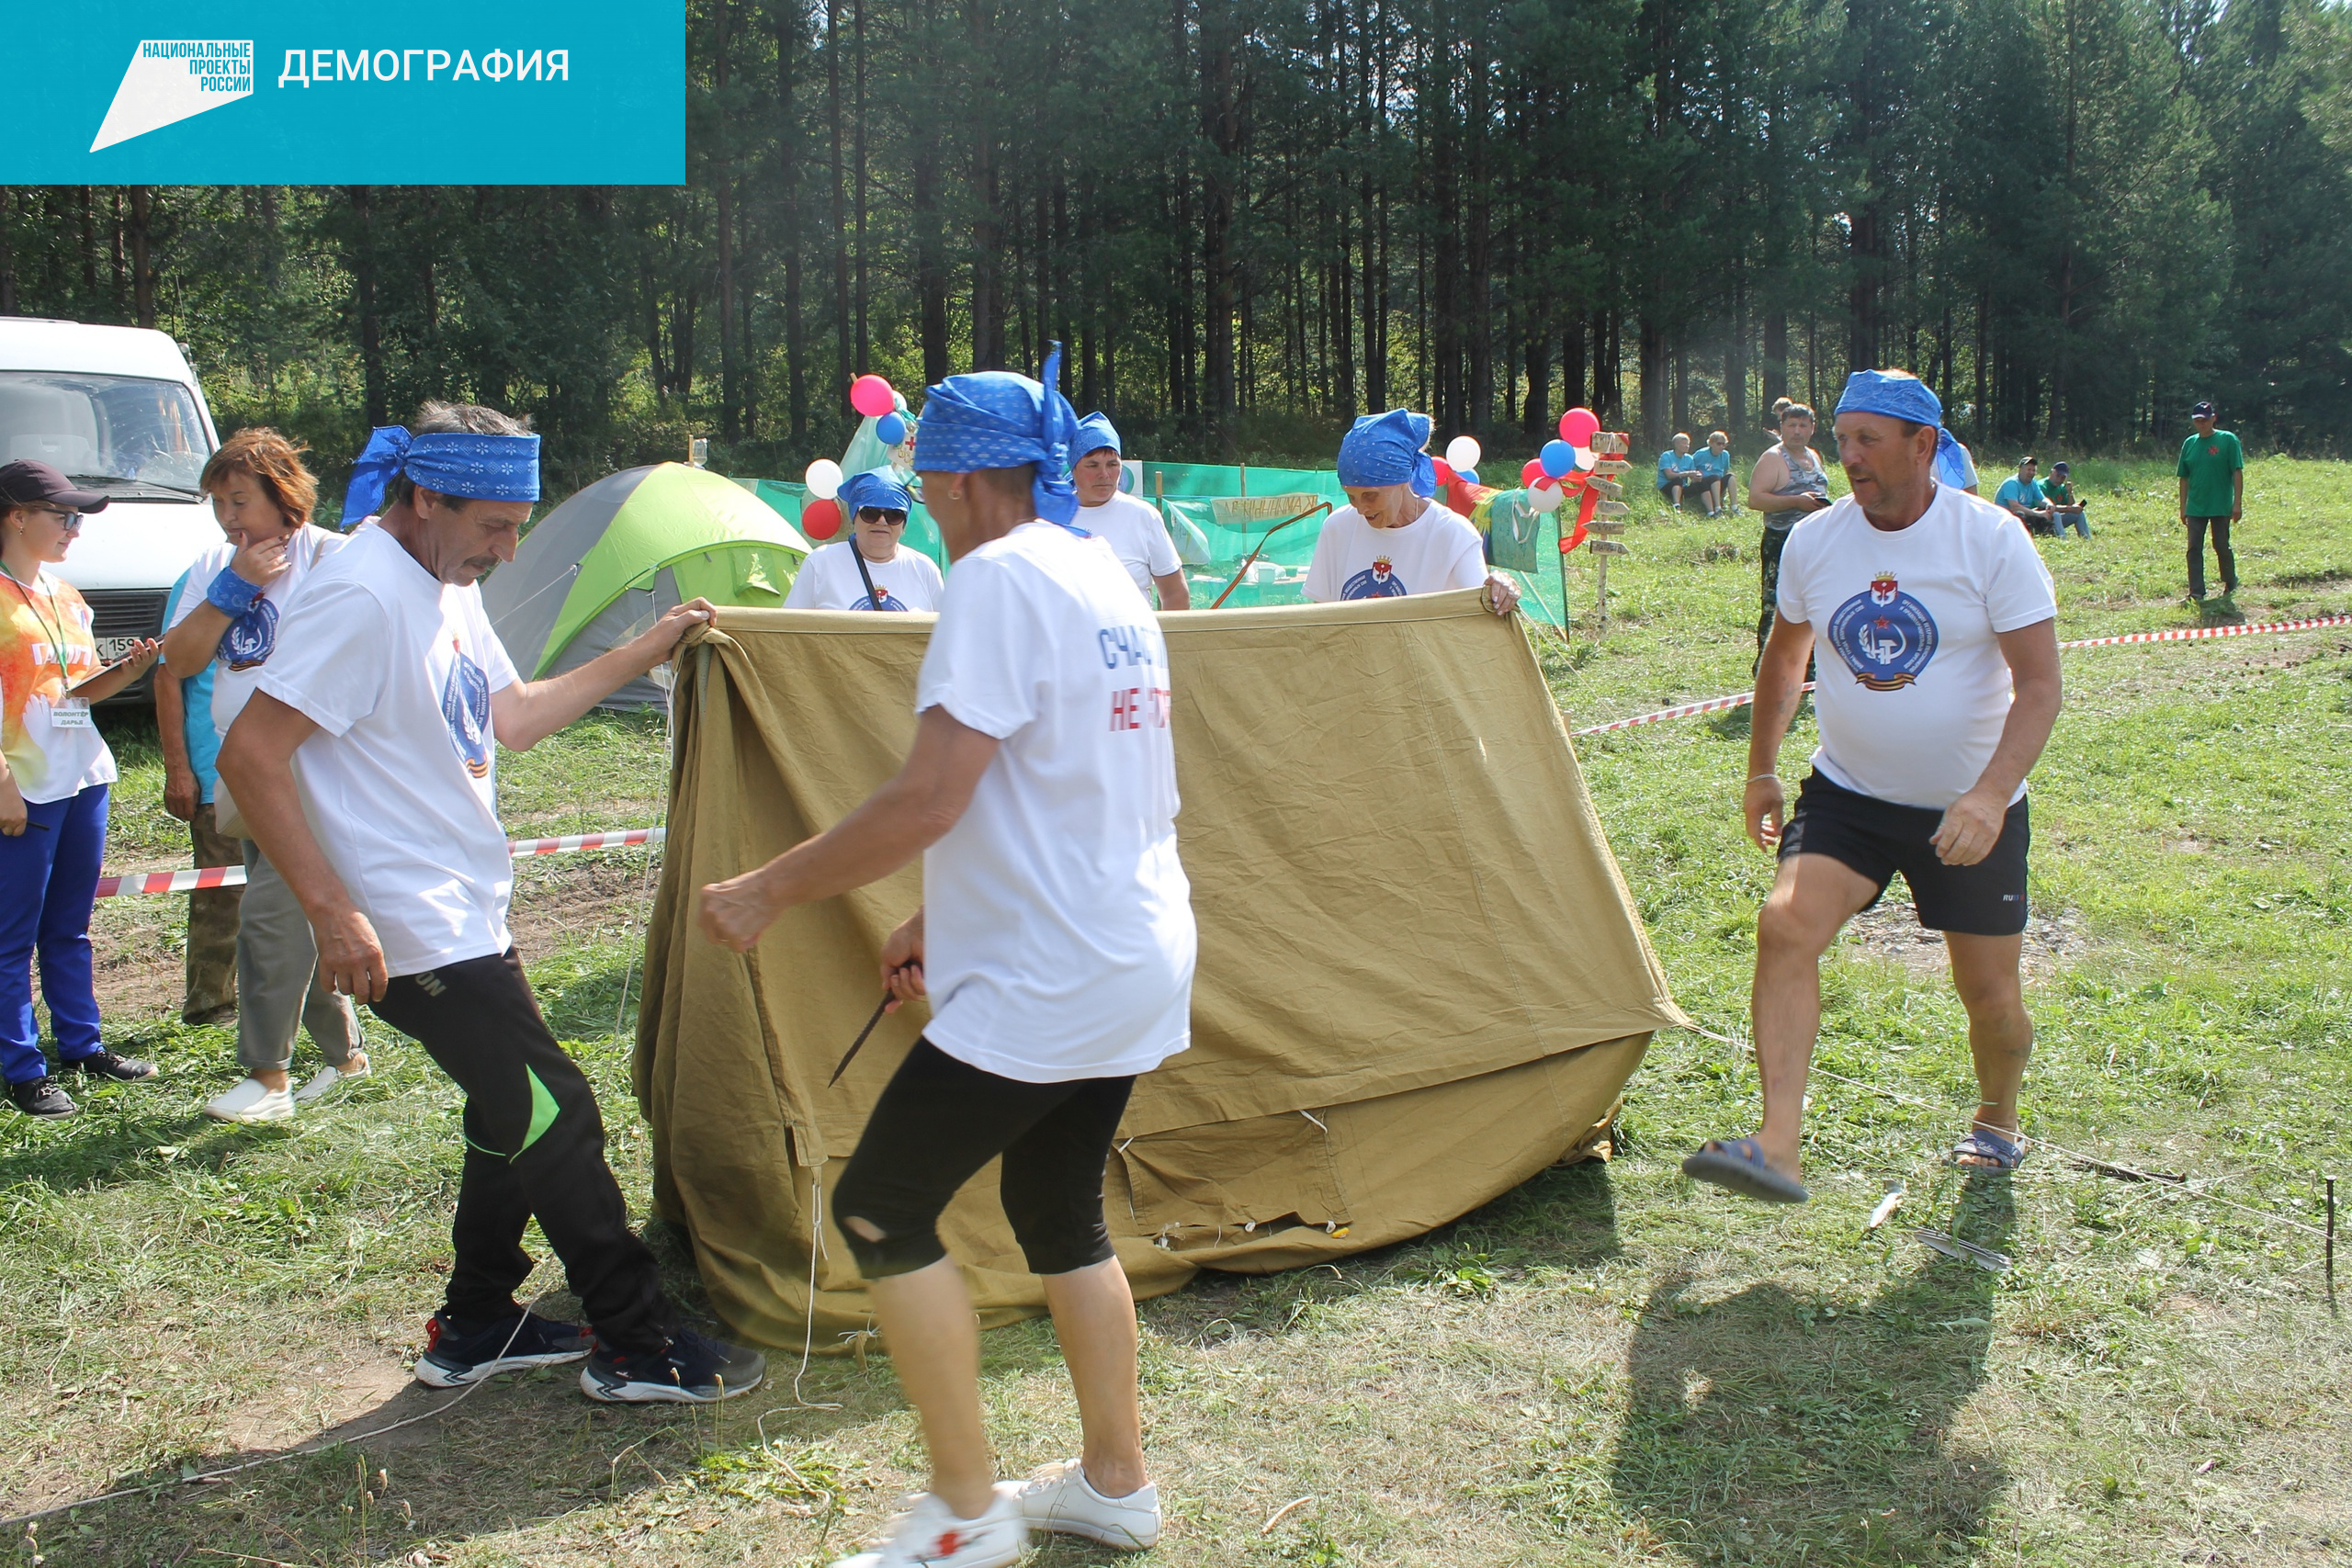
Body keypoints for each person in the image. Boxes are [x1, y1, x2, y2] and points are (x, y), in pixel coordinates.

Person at [697, 347, 1188, 1568]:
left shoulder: (995, 580)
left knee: (879, 1204)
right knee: (1054, 1206)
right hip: (1132, 945)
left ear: (963, 481)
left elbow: (927, 794)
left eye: (923, 483)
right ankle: (1115, 1484)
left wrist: (768, 887)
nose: (918, 502)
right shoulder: (1098, 566)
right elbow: (1056, 776)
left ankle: (965, 1514)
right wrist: (940, 913)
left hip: (1051, 967)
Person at [216, 402, 766, 1404]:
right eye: (494, 527)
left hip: (463, 909)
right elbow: (251, 756)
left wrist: (648, 646)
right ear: (426, 498)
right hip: (405, 925)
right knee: (556, 1110)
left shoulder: (445, 579)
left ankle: (476, 1322)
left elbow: (511, 717)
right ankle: (637, 1342)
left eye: (519, 527)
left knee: (507, 1107)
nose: (509, 551)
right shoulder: (364, 594)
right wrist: (331, 909)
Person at [1683, 369, 2061, 1204]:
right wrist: (1761, 767)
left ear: (1923, 445)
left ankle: (1998, 1117)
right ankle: (1777, 1145)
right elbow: (1786, 656)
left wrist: (1990, 794)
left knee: (1991, 997)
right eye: (1843, 438)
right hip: (1848, 795)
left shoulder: (1991, 539)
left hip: (1970, 808)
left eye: (1868, 440)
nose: (1847, 456)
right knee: (1784, 925)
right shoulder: (1817, 540)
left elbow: (2039, 686)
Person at [162, 429, 369, 1122]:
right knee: (296, 916)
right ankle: (345, 1057)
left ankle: (268, 1077)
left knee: (270, 915)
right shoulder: (213, 568)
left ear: (284, 497)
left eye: (240, 500)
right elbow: (180, 661)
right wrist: (234, 588)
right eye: (218, 503)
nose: (228, 517)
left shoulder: (335, 556)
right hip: (242, 768)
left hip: (313, 765)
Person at [0, 460, 163, 1118]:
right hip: (24, 787)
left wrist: (127, 672)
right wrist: (3, 782)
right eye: (62, 515)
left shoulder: (67, 596)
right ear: (16, 516)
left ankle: (82, 1045)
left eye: (78, 518)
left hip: (84, 777)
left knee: (70, 926)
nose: (74, 528)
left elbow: (75, 695)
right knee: (12, 936)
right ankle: (22, 1069)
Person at [1304, 409, 1520, 615]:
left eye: (1370, 495)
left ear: (1402, 481)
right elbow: (1319, 619)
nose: (1360, 508)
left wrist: (1499, 590)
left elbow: (1482, 611)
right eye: (1351, 496)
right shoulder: (1337, 528)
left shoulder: (1453, 535)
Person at [157, 565, 240, 1025]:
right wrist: (178, 768)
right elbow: (168, 676)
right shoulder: (201, 576)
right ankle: (211, 1006)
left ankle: (293, 1008)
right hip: (216, 772)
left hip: (286, 768)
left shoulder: (307, 565)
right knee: (222, 897)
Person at [1069, 412, 1190, 609]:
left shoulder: (1143, 516)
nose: (1104, 474)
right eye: (1092, 465)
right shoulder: (1052, 520)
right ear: (1073, 468)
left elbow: (1175, 594)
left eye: (1112, 464)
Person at [785, 468, 945, 612]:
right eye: (870, 513)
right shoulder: (820, 563)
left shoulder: (925, 570)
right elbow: (789, 628)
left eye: (894, 515)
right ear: (854, 517)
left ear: (904, 524)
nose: (881, 521)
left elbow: (947, 630)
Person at [1745, 402, 1832, 658]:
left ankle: (1809, 665)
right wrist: (1795, 501)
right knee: (1777, 605)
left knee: (1812, 603)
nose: (1797, 431)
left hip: (1815, 543)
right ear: (1781, 427)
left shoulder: (1813, 456)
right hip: (1782, 542)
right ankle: (1768, 664)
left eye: (1803, 425)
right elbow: (1755, 500)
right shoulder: (1773, 458)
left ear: (1812, 428)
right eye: (1792, 425)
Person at [2177, 400, 2244, 603]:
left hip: (2220, 504)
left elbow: (2237, 471)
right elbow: (2183, 477)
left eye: (2205, 420)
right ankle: (2196, 591)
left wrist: (2237, 503)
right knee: (2193, 549)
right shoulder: (2190, 443)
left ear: (2213, 419)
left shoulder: (2228, 440)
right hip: (2196, 506)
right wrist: (2183, 507)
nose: (2201, 424)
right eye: (2197, 420)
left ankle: (2230, 580)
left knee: (2221, 545)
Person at [1994, 456, 2054, 536]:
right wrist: (2037, 514)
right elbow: (2014, 507)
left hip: (2024, 514)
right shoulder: (2012, 483)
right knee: (2020, 514)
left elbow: (2041, 500)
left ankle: (2052, 536)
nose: (2031, 473)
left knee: (2047, 512)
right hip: (2004, 517)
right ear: (2020, 469)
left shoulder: (2033, 483)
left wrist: (2049, 504)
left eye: (2034, 470)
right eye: (2029, 470)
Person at [1655, 433, 1704, 510]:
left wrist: (1697, 477)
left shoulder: (1689, 458)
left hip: (1683, 487)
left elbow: (1692, 478)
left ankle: (1706, 507)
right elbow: (1669, 475)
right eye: (1684, 444)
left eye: (1688, 444)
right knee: (1678, 479)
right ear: (1676, 445)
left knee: (1703, 483)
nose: (1687, 446)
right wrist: (1686, 473)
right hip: (1666, 486)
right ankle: (1676, 505)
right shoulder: (1666, 456)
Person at [2041, 461, 2090, 537]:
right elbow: (2047, 509)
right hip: (2043, 519)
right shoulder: (2042, 486)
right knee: (2056, 514)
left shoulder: (2062, 488)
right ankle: (2063, 538)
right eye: (2058, 475)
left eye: (2063, 477)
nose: (2059, 479)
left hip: (2057, 521)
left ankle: (2086, 538)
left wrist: (2069, 493)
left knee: (2079, 513)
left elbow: (2070, 506)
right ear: (2051, 472)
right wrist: (2070, 509)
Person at [1690, 430, 1734, 516]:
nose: (1721, 446)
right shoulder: (1700, 454)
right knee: (1715, 477)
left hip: (1717, 483)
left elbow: (1725, 471)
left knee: (1731, 476)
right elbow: (1690, 466)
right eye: (1719, 444)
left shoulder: (1725, 455)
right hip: (1702, 483)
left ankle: (1734, 507)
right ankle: (1717, 508)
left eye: (1724, 444)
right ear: (1711, 443)